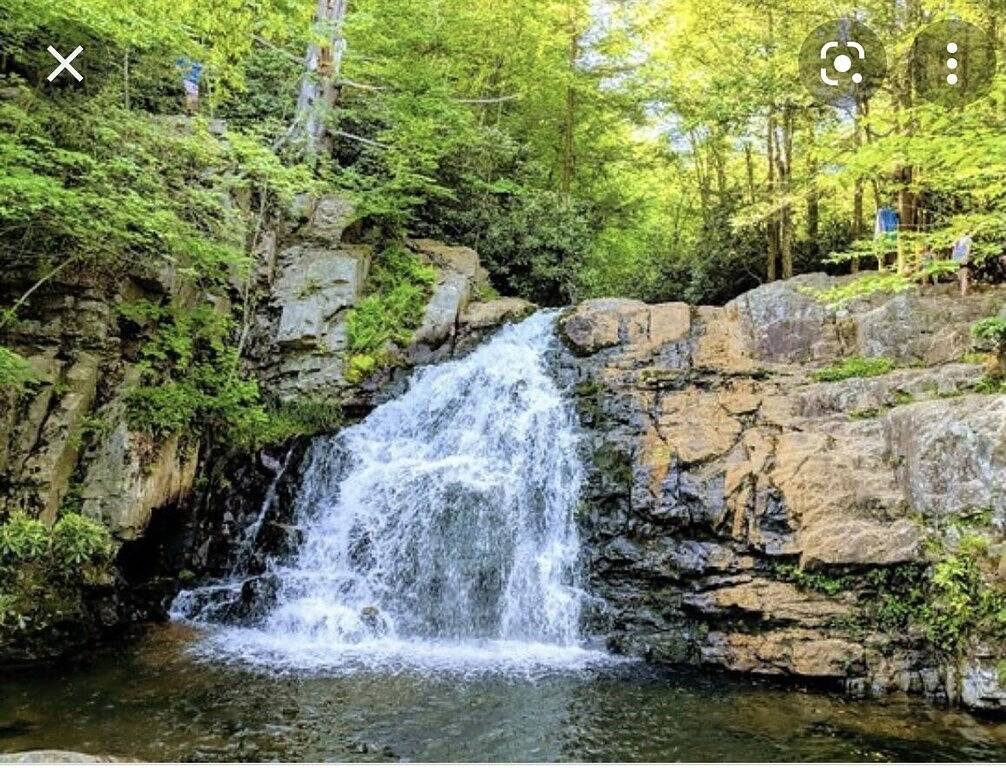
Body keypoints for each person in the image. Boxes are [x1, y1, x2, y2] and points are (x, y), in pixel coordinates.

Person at [951, 232, 973, 296]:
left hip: (963, 258)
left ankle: (963, 293)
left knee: (963, 275)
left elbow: (968, 249)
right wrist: (953, 258)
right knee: (959, 275)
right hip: (956, 259)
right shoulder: (957, 239)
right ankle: (962, 291)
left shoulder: (967, 239)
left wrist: (966, 257)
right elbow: (954, 248)